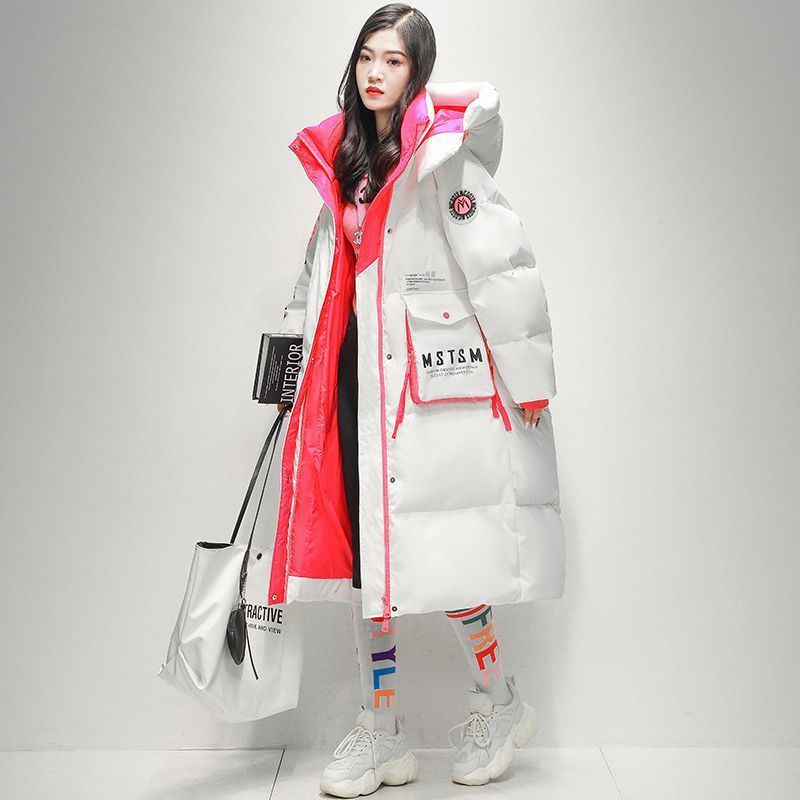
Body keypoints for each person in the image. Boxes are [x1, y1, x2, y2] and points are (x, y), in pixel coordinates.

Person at [275, 4, 564, 796]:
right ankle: (383, 728)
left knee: (448, 555)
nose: (376, 73)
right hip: (351, 385)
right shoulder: (346, 159)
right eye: (367, 56)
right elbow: (319, 276)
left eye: (394, 60)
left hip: (423, 389)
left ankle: (499, 700)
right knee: (369, 563)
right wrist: (289, 371)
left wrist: (530, 379)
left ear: (418, 72)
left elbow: (502, 267)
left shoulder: (443, 159)